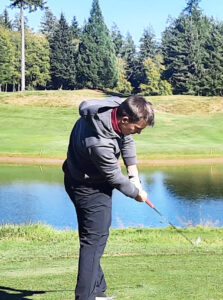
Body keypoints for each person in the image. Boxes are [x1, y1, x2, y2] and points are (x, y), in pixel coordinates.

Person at [62, 95, 154, 300]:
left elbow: (126, 140)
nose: (138, 132)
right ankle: (85, 296)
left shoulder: (114, 107)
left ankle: (97, 291)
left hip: (84, 177)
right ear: (124, 120)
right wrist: (136, 193)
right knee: (94, 240)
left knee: (95, 237)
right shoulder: (99, 143)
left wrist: (134, 176)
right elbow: (114, 177)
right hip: (87, 187)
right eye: (138, 128)